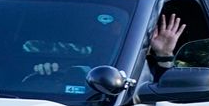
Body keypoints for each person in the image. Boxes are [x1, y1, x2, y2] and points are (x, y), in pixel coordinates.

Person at [31, 12, 186, 81]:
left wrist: (165, 54)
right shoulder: (72, 64)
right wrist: (47, 73)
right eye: (99, 29)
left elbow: (166, 88)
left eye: (115, 26)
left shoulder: (146, 63)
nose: (106, 32)